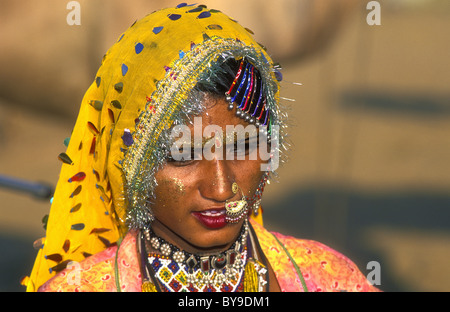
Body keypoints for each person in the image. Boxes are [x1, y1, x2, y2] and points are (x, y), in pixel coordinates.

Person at [23, 3, 378, 292]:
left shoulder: (332, 280)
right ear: (130, 164)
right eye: (183, 155)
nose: (222, 189)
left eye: (243, 148)